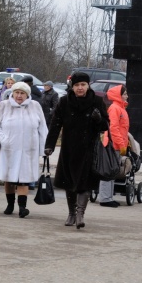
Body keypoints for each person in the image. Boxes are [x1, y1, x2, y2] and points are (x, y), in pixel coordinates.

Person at [44, 72, 108, 229]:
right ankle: (71, 213)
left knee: (84, 182)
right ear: (72, 87)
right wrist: (50, 145)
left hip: (88, 148)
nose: (80, 88)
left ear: (88, 85)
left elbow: (106, 126)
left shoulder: (97, 101)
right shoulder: (64, 101)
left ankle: (80, 214)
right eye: (77, 85)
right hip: (69, 148)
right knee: (69, 182)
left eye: (83, 85)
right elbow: (55, 124)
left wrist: (98, 119)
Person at [0, 82, 48, 217]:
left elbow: (42, 128)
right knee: (9, 179)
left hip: (29, 150)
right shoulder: (4, 106)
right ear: (12, 93)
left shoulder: (35, 106)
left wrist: (44, 148)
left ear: (27, 95)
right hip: (10, 149)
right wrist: (2, 138)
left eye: (22, 93)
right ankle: (10, 205)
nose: (19, 96)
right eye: (17, 92)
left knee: (24, 179)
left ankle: (22, 208)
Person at [98, 85, 129, 208]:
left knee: (111, 172)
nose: (127, 96)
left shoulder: (119, 108)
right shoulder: (115, 108)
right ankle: (105, 198)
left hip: (115, 144)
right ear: (118, 95)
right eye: (125, 94)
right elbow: (113, 128)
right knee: (108, 171)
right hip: (112, 144)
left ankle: (108, 197)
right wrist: (121, 144)